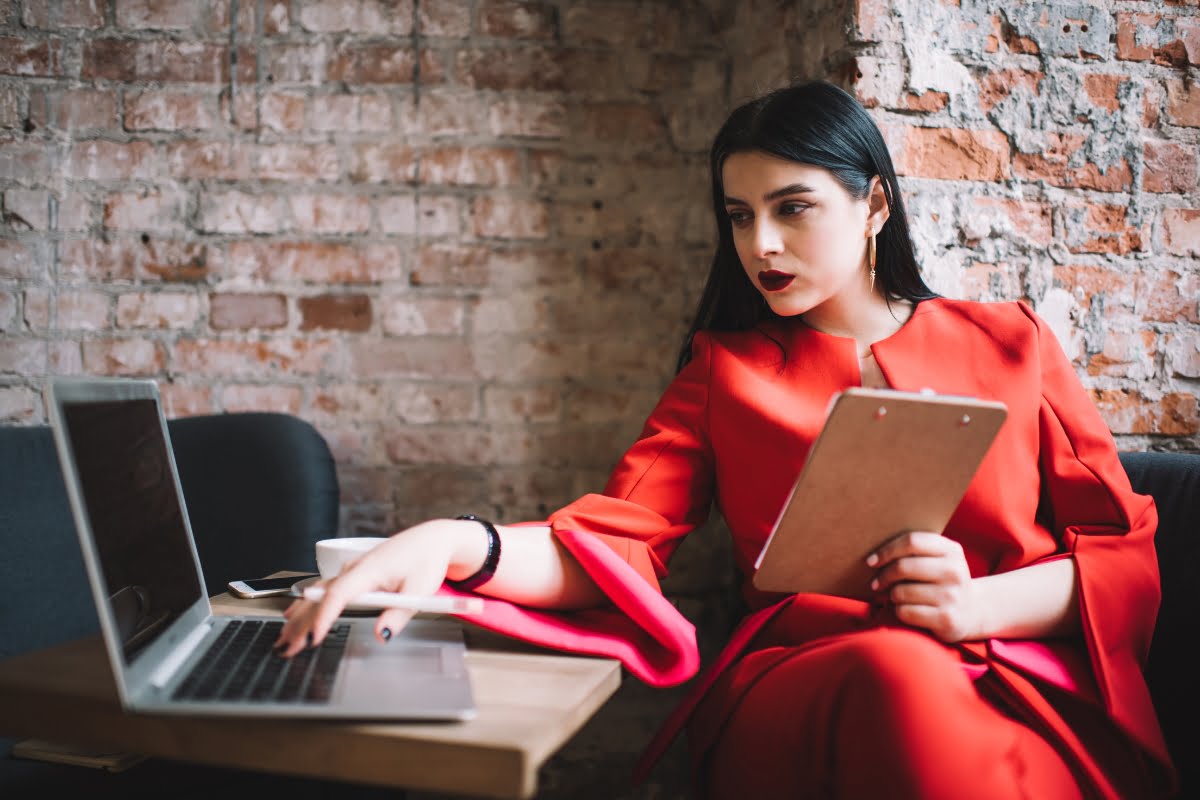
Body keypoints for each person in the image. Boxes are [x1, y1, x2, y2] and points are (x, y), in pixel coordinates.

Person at [275, 80, 1177, 799]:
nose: (762, 244)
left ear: (874, 207)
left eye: (792, 208)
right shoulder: (725, 371)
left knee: (926, 695)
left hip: (1015, 678)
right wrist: (454, 543)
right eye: (740, 216)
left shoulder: (1011, 342)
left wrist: (975, 609)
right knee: (893, 677)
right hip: (809, 681)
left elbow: (1125, 559)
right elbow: (614, 544)